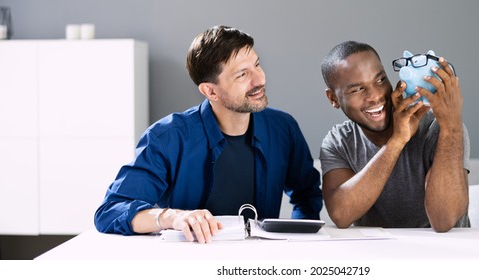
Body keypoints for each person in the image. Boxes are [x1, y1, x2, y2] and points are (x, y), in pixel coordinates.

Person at [94, 25, 323, 243]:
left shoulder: (283, 128)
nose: (260, 79)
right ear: (210, 91)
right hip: (191, 262)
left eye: (257, 65)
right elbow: (110, 211)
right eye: (242, 75)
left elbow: (307, 195)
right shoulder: (167, 137)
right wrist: (171, 217)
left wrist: (296, 242)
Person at [319, 41, 470, 232]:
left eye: (380, 80)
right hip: (378, 257)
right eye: (357, 89)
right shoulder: (338, 141)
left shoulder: (441, 129)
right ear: (333, 99)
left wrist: (451, 126)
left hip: (442, 257)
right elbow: (341, 215)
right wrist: (397, 141)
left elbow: (443, 220)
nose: (375, 96)